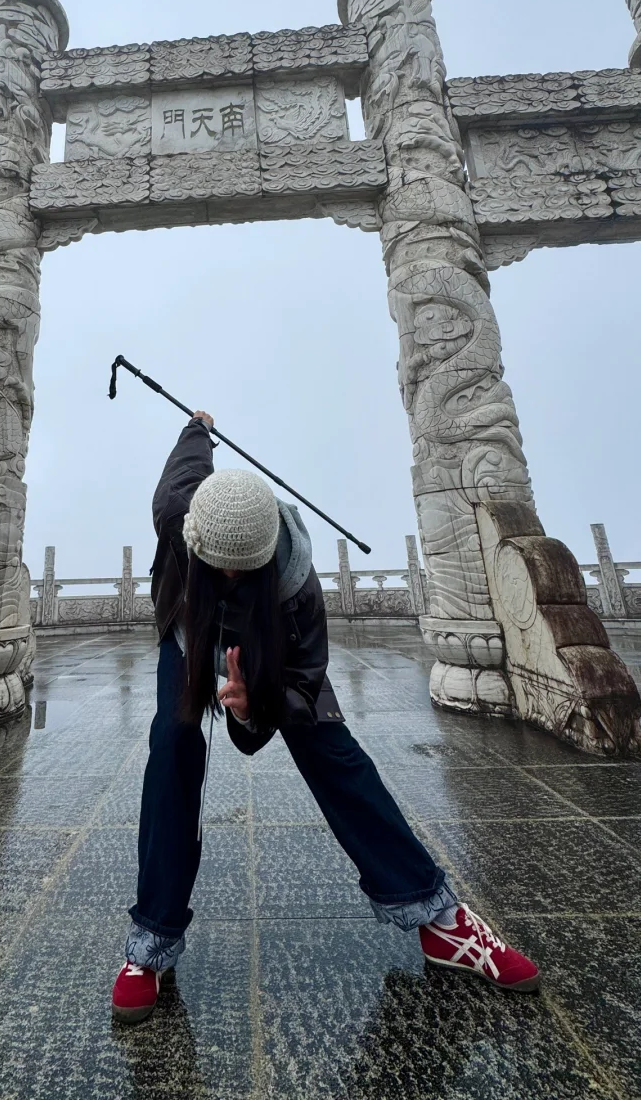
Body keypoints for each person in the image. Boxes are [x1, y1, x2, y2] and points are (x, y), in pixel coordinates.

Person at [111, 415, 540, 1024]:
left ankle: (438, 917)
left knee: (334, 751)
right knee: (174, 742)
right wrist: (197, 425)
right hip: (188, 625)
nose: (230, 577)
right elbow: (185, 462)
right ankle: (149, 944)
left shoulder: (296, 593)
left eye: (244, 568)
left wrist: (257, 704)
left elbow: (303, 690)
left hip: (265, 640)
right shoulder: (178, 512)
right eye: (220, 565)